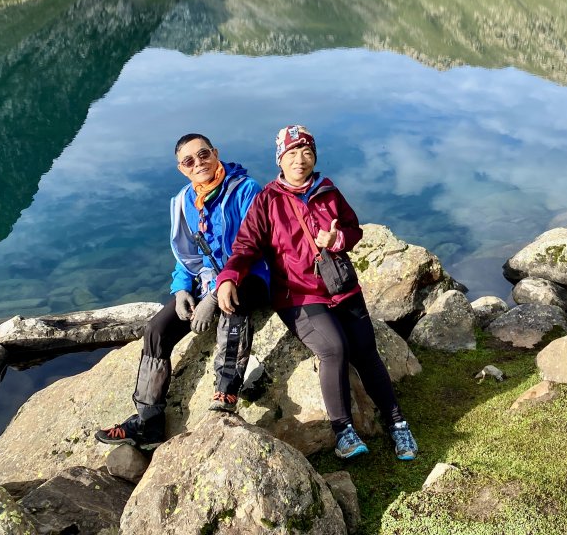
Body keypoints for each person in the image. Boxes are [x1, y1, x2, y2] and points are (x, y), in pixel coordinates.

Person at [215, 125, 419, 461]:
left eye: (307, 152)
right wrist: (229, 276)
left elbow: (352, 229)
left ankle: (398, 423)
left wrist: (336, 241)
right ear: (280, 159)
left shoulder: (328, 191)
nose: (300, 159)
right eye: (292, 153)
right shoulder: (267, 201)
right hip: (298, 295)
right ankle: (343, 431)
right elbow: (246, 245)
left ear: (315, 157)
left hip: (341, 287)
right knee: (334, 349)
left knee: (367, 352)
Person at [95, 133, 269, 448]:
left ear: (215, 153)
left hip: (250, 275)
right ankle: (148, 422)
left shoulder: (245, 190)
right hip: (209, 279)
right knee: (156, 329)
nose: (199, 163)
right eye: (189, 160)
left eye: (203, 154)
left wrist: (215, 296)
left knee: (233, 303)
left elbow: (254, 247)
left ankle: (225, 392)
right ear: (181, 168)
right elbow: (187, 258)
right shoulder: (184, 201)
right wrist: (181, 290)